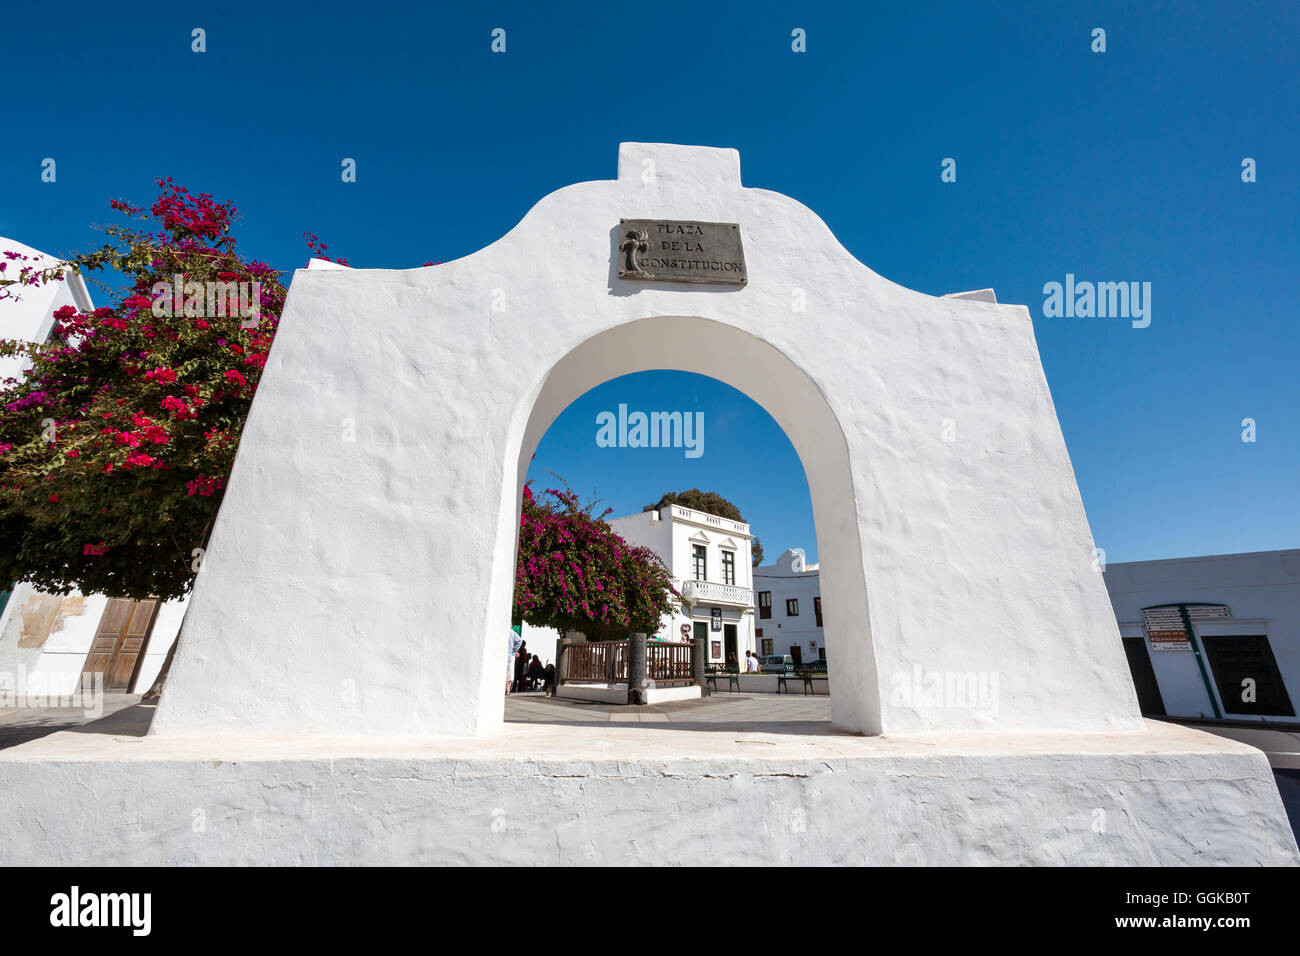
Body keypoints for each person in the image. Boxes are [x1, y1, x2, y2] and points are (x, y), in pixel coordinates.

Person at [506, 629, 523, 695]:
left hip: (508, 654)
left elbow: (519, 641)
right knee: (509, 673)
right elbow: (519, 640)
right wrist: (514, 651)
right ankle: (508, 689)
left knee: (507, 673)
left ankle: (507, 689)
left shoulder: (508, 631)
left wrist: (514, 650)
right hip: (510, 655)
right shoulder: (512, 633)